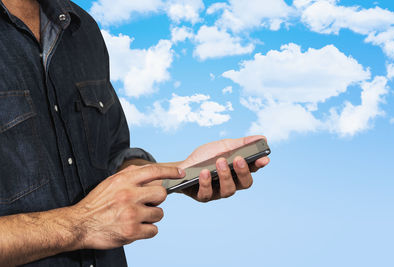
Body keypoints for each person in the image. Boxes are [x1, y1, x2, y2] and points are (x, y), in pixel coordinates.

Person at [0, 0, 270, 266]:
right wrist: (80, 224)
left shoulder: (81, 27)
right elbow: (93, 216)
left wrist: (182, 172)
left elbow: (112, 157)